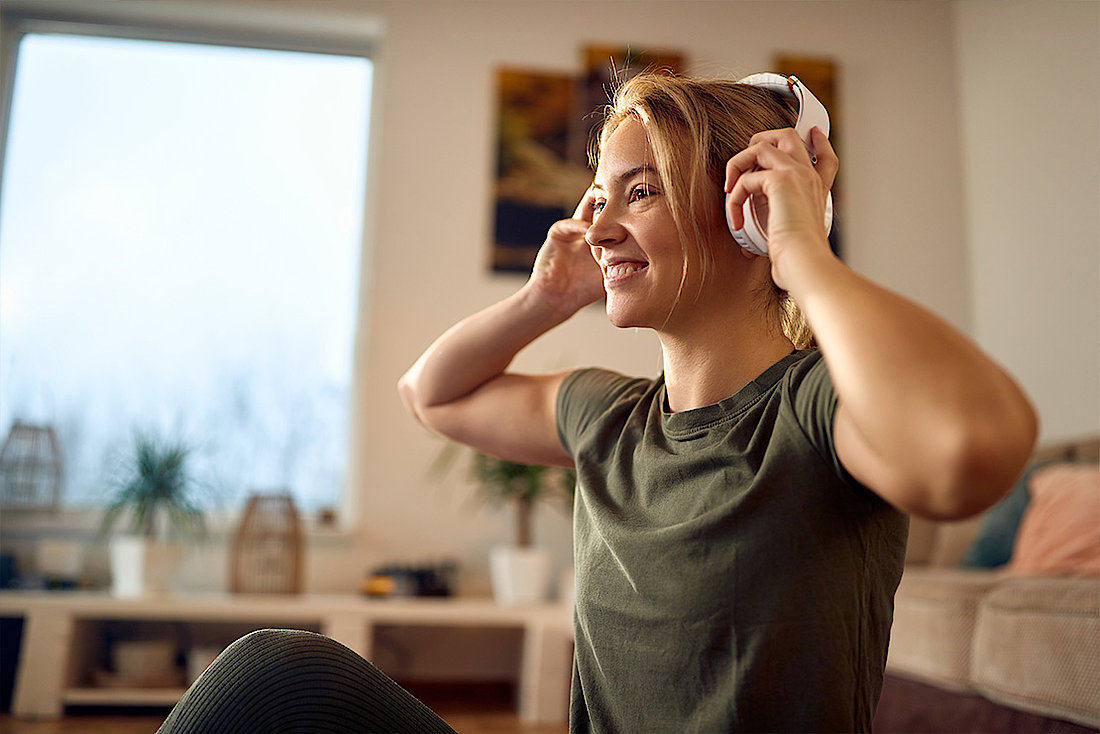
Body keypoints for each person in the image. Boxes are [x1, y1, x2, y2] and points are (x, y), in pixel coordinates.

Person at [157, 71, 1037, 734]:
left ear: (745, 214)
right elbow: (432, 394)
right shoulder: (606, 419)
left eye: (642, 190)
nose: (599, 225)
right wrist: (546, 298)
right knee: (276, 678)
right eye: (600, 196)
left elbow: (967, 449)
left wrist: (803, 251)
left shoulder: (817, 411)